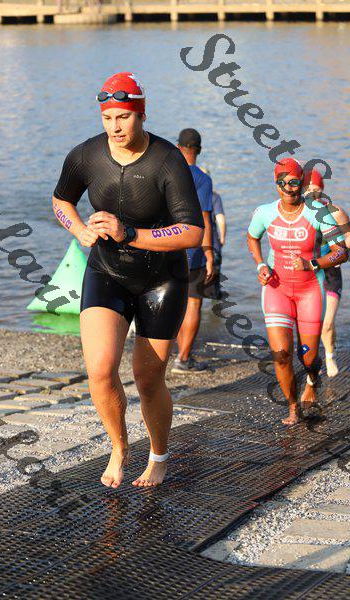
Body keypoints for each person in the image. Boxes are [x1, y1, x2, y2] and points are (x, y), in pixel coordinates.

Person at [52, 72, 204, 488]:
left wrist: (129, 234)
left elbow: (193, 232)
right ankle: (119, 447)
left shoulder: (167, 159)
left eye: (124, 117)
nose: (115, 127)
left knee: (148, 379)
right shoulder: (86, 155)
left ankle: (158, 455)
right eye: (108, 118)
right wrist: (78, 229)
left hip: (162, 280)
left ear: (141, 114)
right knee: (100, 371)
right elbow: (61, 199)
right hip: (107, 272)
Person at [247, 158, 347, 426]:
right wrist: (260, 264)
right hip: (277, 290)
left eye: (294, 182)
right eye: (282, 182)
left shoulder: (318, 213)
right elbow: (252, 237)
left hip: (310, 290)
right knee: (281, 355)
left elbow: (341, 252)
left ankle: (313, 378)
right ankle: (293, 406)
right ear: (275, 183)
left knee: (309, 357)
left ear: (302, 183)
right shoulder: (265, 212)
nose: (288, 188)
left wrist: (312, 263)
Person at [172, 129, 220, 373]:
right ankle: (183, 358)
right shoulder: (203, 179)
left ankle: (177, 354)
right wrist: (209, 253)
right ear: (198, 150)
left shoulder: (169, 171)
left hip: (168, 245)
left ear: (178, 147)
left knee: (176, 303)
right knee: (193, 303)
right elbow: (205, 219)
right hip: (194, 249)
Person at [303, 168, 350, 377]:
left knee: (327, 323)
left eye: (316, 190)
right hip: (308, 275)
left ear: (321, 190)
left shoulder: (335, 212)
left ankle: (330, 356)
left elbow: (348, 238)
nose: (312, 194)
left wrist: (344, 247)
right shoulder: (298, 212)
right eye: (308, 190)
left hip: (330, 274)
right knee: (312, 325)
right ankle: (312, 359)